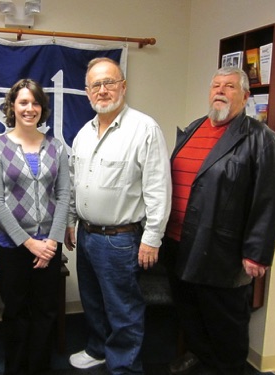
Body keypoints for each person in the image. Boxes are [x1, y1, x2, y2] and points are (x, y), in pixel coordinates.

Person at [164, 67, 275, 375]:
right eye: (216, 86)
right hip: (179, 244)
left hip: (223, 252)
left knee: (225, 324)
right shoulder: (194, 128)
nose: (220, 91)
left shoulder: (262, 139)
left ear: (246, 96)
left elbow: (270, 198)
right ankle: (202, 358)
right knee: (190, 312)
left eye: (230, 87)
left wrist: (257, 252)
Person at [65, 57, 172, 374]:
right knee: (93, 300)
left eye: (109, 82)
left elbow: (158, 189)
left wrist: (152, 238)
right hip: (85, 234)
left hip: (120, 239)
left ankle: (124, 367)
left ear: (123, 86)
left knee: (123, 308)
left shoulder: (144, 129)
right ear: (87, 92)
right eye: (95, 84)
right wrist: (72, 222)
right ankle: (98, 348)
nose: (103, 90)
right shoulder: (83, 134)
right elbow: (75, 184)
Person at [0, 78, 70, 374]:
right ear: (12, 107)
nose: (29, 108)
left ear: (42, 108)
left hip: (49, 246)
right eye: (23, 102)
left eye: (35, 103)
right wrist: (28, 242)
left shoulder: (56, 148)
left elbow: (63, 195)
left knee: (46, 312)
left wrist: (53, 241)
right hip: (12, 247)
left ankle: (40, 368)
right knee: (16, 312)